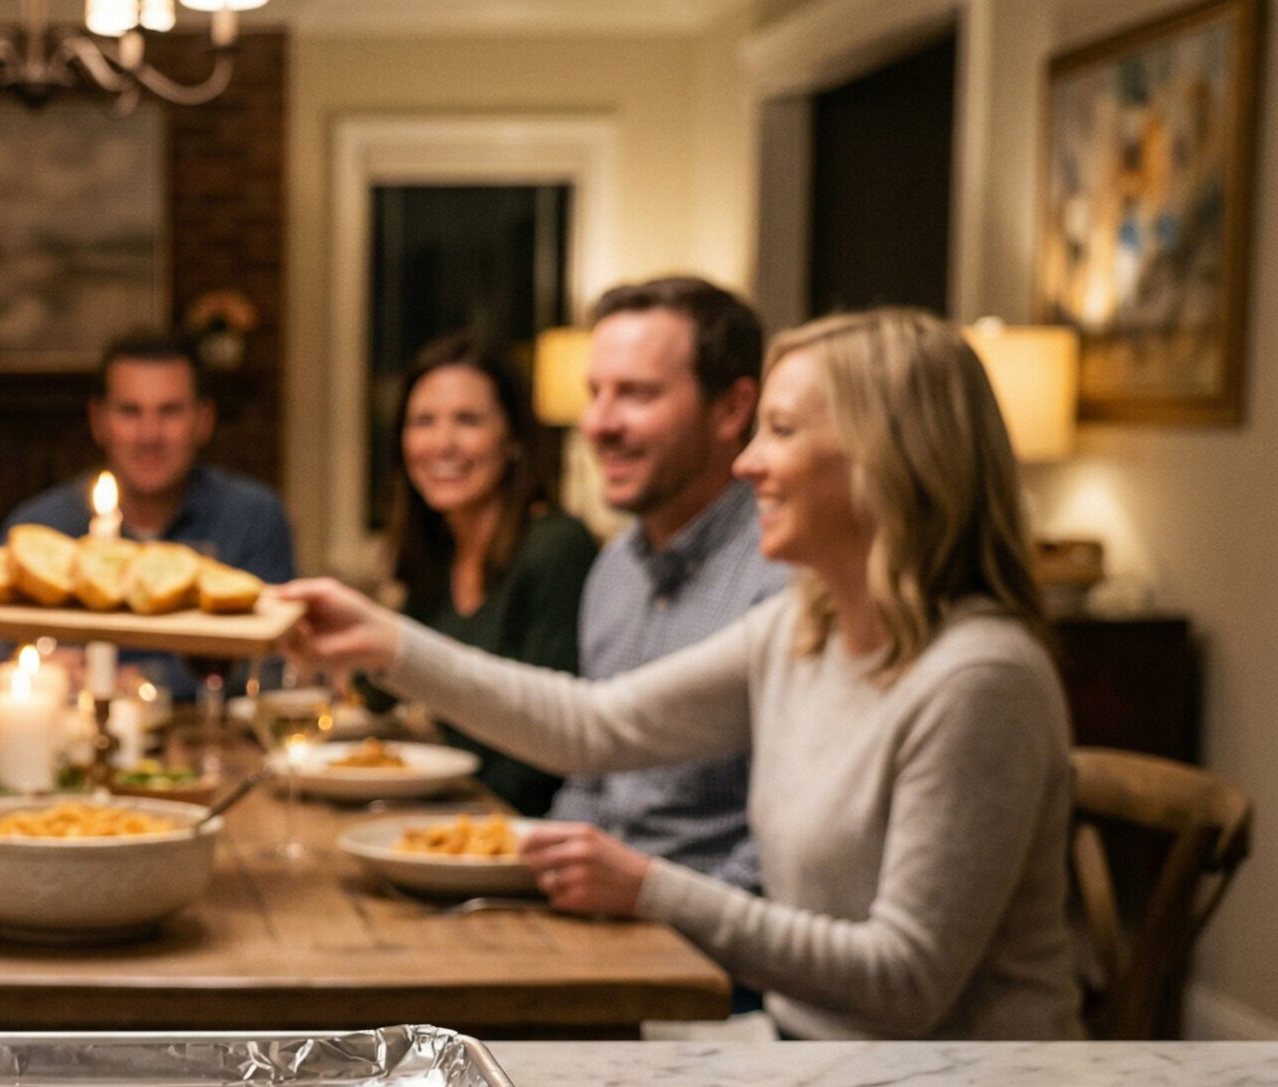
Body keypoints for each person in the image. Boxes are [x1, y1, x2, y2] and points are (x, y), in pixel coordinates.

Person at [282, 308, 1079, 1040]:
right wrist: (385, 640)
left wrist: (649, 888)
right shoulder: (802, 630)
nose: (750, 463)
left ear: (889, 458)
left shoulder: (980, 677)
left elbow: (905, 981)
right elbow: (593, 726)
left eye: (782, 430)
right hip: (805, 1062)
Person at [548, 278, 791, 884]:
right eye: (594, 392)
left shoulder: (783, 577)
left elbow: (783, 847)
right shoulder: (614, 569)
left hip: (709, 947)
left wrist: (666, 926)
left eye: (636, 394)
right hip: (595, 924)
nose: (598, 424)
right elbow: (589, 778)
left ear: (733, 410)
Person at [0, 330, 296, 697]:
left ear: (203, 421)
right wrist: (35, 666)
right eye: (130, 411)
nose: (149, 434)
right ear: (99, 421)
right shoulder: (41, 529)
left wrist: (143, 680)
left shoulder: (253, 517)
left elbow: (275, 665)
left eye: (169, 411)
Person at [385, 334, 597, 815]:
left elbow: (547, 753)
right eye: (423, 422)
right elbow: (382, 688)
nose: (442, 444)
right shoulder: (438, 554)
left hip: (521, 834)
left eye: (468, 420)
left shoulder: (555, 549)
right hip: (459, 814)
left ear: (515, 438)